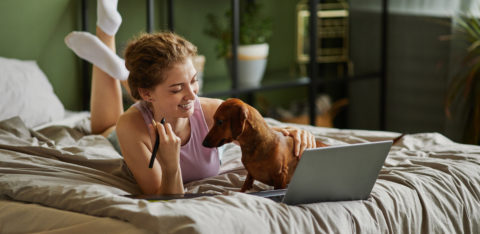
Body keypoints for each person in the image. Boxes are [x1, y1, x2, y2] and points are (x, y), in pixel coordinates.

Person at [65, 0, 317, 195]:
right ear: (146, 93)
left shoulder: (213, 111)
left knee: (160, 94)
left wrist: (292, 134)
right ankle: (105, 35)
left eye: (194, 81)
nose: (192, 95)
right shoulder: (131, 127)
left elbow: (264, 139)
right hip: (132, 127)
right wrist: (171, 163)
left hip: (151, 96)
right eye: (177, 89)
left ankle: (120, 65)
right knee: (102, 128)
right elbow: (162, 196)